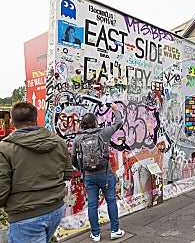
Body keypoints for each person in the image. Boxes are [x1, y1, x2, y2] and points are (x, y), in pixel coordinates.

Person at [0, 102, 73, 243]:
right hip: (55, 208)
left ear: (13, 122)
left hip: (24, 216)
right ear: (36, 119)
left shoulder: (5, 148)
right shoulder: (58, 142)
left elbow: (2, 189)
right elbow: (67, 173)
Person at [72, 103, 125, 242]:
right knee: (111, 200)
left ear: (82, 124)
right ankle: (115, 230)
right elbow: (118, 123)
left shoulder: (78, 139)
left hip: (89, 176)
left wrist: (83, 170)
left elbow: (73, 159)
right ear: (95, 122)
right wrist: (115, 110)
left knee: (92, 205)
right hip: (105, 174)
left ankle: (95, 234)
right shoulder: (103, 133)